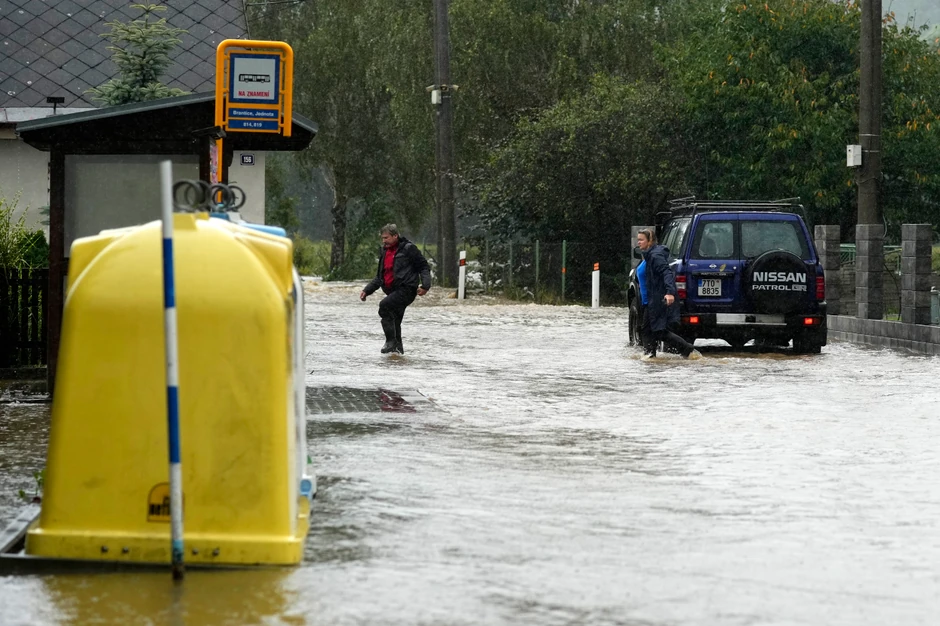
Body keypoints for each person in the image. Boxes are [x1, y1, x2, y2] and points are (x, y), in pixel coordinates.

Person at [360, 224, 431, 354]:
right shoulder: (384, 252)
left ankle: (390, 342)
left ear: (395, 236)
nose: (383, 241)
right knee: (395, 321)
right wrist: (367, 290)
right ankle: (397, 354)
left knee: (384, 306)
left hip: (407, 289)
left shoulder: (409, 249)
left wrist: (425, 285)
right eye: (382, 238)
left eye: (386, 238)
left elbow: (423, 267)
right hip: (392, 291)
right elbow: (380, 277)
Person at [636, 229, 701, 360]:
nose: (639, 242)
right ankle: (650, 356)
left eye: (641, 239)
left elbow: (667, 272)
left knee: (658, 331)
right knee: (648, 330)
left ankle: (688, 350)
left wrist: (670, 293)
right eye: (638, 239)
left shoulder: (655, 256)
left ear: (650, 241)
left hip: (656, 299)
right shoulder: (648, 256)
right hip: (648, 300)